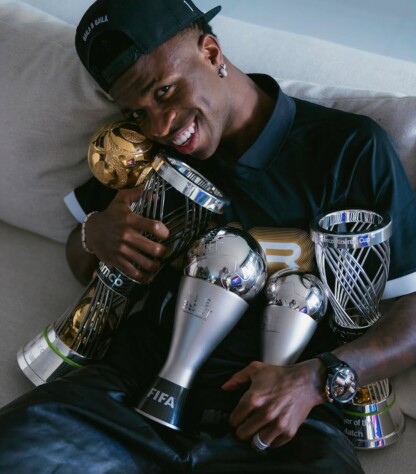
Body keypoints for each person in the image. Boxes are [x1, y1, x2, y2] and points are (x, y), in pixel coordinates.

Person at [1, 0, 416, 472]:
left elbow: (411, 307)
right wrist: (94, 235)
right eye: (137, 112)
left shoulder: (347, 148)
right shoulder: (143, 153)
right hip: (128, 393)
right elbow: (82, 263)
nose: (160, 126)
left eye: (164, 91)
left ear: (212, 52)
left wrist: (316, 379)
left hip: (278, 417)